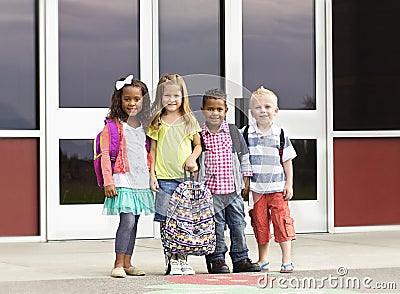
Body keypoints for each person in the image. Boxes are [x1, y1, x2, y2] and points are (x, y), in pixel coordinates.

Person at [197, 88, 261, 274]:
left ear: (225, 110)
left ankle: (240, 258)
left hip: (233, 189)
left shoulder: (233, 132)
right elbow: (198, 163)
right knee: (215, 227)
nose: (214, 113)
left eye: (219, 109)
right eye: (210, 109)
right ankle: (216, 259)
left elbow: (244, 157)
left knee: (238, 224)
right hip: (211, 192)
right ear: (203, 110)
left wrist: (246, 181)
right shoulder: (200, 134)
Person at [147, 73, 202, 275]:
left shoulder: (189, 120)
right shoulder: (157, 121)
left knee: (184, 220)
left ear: (183, 96)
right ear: (161, 97)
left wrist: (192, 159)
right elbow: (152, 151)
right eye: (167, 96)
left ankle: (183, 259)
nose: (171, 100)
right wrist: (152, 175)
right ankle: (171, 258)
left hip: (184, 180)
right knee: (166, 221)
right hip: (164, 179)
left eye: (175, 95)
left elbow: (198, 146)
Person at [101, 75, 155, 278]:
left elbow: (149, 153)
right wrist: (108, 180)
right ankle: (117, 263)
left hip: (140, 181)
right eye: (127, 99)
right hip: (122, 180)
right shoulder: (113, 126)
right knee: (128, 221)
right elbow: (105, 154)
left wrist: (152, 176)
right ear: (119, 100)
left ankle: (128, 263)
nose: (132, 103)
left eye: (137, 99)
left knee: (135, 223)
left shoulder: (146, 126)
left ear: (143, 101)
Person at [243, 86, 297, 273]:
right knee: (260, 223)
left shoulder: (280, 134)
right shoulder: (246, 134)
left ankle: (286, 260)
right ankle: (263, 259)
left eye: (267, 107)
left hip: (277, 188)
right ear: (251, 112)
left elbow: (287, 161)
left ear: (276, 111)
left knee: (281, 222)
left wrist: (289, 184)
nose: (263, 111)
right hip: (257, 190)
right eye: (258, 107)